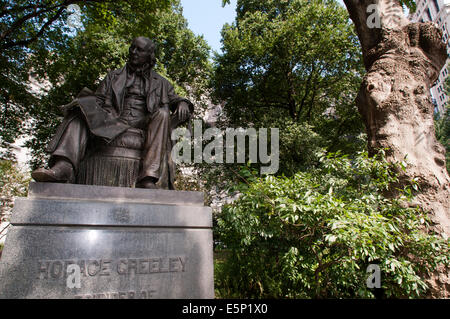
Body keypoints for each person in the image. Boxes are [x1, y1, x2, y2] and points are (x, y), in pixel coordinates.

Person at [31, 37, 193, 189]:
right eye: (132, 48)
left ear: (149, 56)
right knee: (80, 110)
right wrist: (86, 106)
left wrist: (183, 102)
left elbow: (175, 98)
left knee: (163, 113)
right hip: (113, 120)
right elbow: (98, 100)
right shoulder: (113, 77)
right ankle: (64, 166)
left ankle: (148, 178)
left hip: (144, 122)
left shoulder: (162, 83)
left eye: (139, 50)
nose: (134, 52)